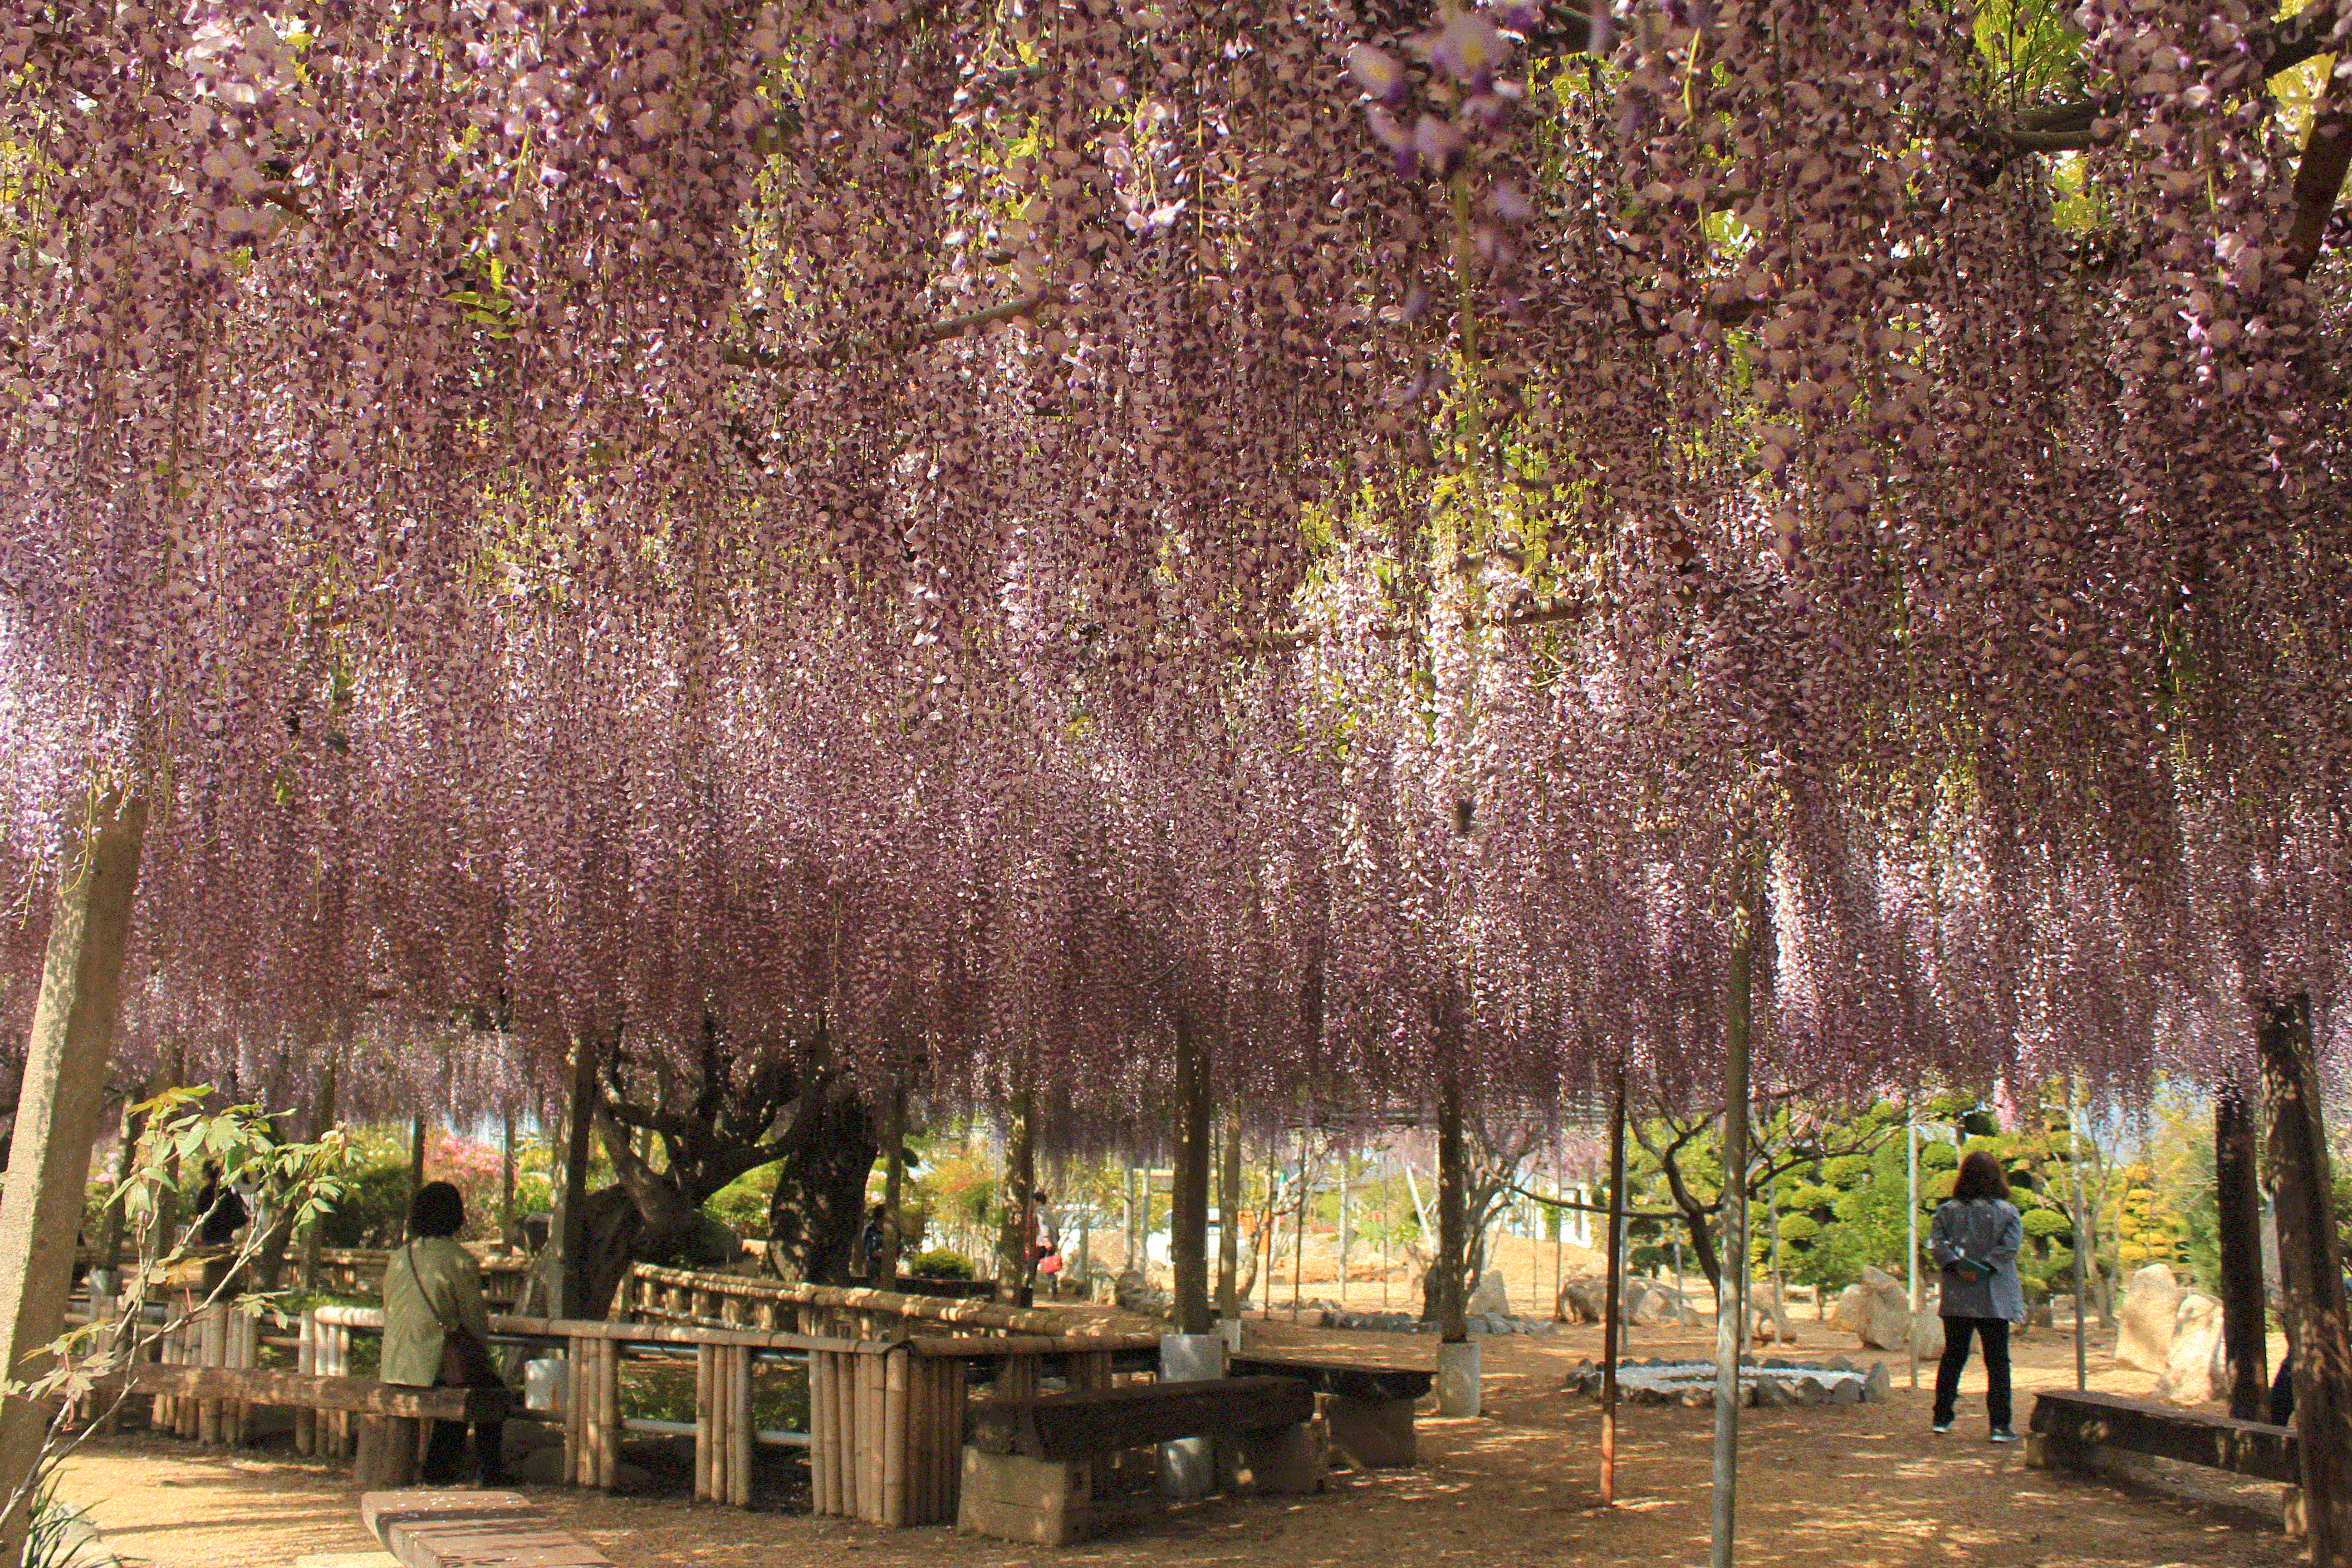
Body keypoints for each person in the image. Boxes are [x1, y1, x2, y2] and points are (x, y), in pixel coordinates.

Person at [384, 1181, 512, 1488]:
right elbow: (474, 1319)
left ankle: (441, 1466)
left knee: (455, 1380)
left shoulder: (400, 1257)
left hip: (396, 1362)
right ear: (457, 1216)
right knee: (485, 1385)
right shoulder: (459, 1260)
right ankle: (486, 1469)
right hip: (430, 1365)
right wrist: (480, 1352)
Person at [1928, 1150, 2027, 1442]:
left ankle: (1941, 1419)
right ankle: (1999, 1426)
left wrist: (1957, 1265)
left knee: (1953, 1357)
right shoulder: (2007, 1212)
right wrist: (1985, 1267)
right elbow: (2010, 1248)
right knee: (1997, 1360)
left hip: (1958, 1296)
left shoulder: (1946, 1211)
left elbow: (1936, 1244)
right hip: (1993, 1296)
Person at [192, 1162, 249, 1246]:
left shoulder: (206, 1192)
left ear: (207, 1173)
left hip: (210, 1239)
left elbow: (199, 1216)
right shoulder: (227, 1190)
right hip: (227, 1238)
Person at [859, 1203, 888, 1281]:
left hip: (889, 1266)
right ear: (879, 1218)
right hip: (873, 1266)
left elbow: (897, 1251)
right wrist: (886, 1255)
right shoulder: (869, 1229)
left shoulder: (894, 1231)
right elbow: (870, 1252)